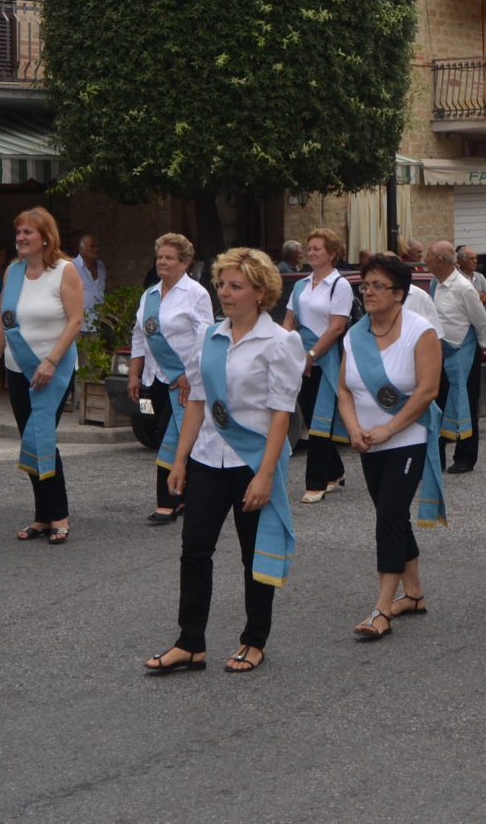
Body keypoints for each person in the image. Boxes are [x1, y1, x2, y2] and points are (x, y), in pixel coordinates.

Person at [150, 247, 299, 675]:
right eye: (221, 284)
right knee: (194, 550)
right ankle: (190, 642)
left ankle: (255, 640)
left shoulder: (280, 342)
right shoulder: (208, 337)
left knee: (254, 555)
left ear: (260, 291)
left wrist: (266, 475)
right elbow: (196, 401)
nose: (224, 293)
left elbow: (280, 415)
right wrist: (179, 461)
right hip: (206, 459)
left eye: (235, 286)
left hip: (252, 462)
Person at [334, 253, 442, 640]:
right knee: (390, 513)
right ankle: (413, 594)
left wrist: (389, 430)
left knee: (389, 515)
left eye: (378, 286)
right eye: (365, 286)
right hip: (367, 440)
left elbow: (428, 390)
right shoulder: (354, 334)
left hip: (406, 438)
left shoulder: (420, 331)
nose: (369, 292)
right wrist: (353, 428)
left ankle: (382, 608)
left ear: (399, 293)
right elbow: (344, 388)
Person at [0, 208, 84, 546]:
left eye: (28, 232)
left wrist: (52, 361)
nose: (21, 238)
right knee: (30, 438)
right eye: (19, 232)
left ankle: (59, 515)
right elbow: (3, 321)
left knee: (42, 437)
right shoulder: (13, 271)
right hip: (18, 368)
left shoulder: (64, 271)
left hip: (52, 370)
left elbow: (75, 321)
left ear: (45, 237)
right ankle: (42, 516)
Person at [131, 233, 213, 526]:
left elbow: (205, 338)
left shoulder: (196, 293)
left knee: (173, 435)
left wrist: (191, 376)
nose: (162, 262)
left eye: (169, 258)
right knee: (168, 435)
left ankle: (169, 501)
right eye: (160, 257)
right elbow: (140, 334)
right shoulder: (150, 294)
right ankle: (183, 496)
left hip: (183, 380)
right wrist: (133, 372)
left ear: (185, 263)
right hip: (156, 379)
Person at [284, 228, 353, 504]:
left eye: (317, 249)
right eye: (309, 248)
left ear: (332, 254)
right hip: (300, 358)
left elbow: (336, 327)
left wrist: (311, 355)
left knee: (321, 419)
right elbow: (289, 322)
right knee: (313, 419)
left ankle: (316, 483)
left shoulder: (340, 286)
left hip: (326, 359)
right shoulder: (300, 285)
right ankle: (335, 471)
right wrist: (290, 351)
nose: (311, 252)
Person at [425, 241, 486, 475]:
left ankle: (465, 457)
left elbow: (481, 321)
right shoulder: (435, 283)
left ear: (440, 261)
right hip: (439, 352)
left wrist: (481, 346)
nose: (425, 261)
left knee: (466, 402)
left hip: (463, 352)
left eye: (429, 257)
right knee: (438, 403)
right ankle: (438, 456)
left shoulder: (463, 287)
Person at [73, 233, 107, 339]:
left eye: (97, 246)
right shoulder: (72, 266)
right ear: (81, 249)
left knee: (94, 355)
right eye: (92, 246)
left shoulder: (101, 266)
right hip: (78, 325)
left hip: (97, 324)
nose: (96, 249)